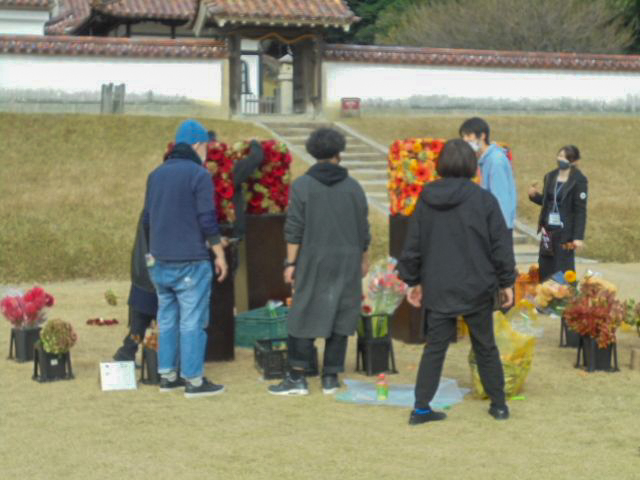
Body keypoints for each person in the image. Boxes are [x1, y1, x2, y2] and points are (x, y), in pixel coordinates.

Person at [398, 139, 516, 426]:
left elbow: (413, 244)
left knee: (434, 348)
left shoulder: (426, 197)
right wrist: (507, 282)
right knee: (485, 345)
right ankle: (499, 405)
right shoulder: (484, 200)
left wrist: (413, 281)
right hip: (477, 284)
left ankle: (421, 408)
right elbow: (501, 245)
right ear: (471, 166)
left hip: (438, 285)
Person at [268, 128, 371, 396]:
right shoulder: (354, 187)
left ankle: (298, 377)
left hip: (313, 259)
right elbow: (363, 227)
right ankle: (331, 377)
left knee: (303, 313)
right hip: (348, 260)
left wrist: (290, 264)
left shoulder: (302, 186)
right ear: (339, 152)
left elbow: (294, 228)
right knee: (341, 313)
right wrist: (364, 258)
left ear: (313, 152)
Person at [143, 119, 228, 398]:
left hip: (159, 261)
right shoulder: (199, 175)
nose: (208, 152)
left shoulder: (155, 175)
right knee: (192, 321)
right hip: (190, 261)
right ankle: (194, 380)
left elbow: (147, 219)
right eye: (206, 146)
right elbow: (207, 219)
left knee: (166, 318)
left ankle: (167, 376)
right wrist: (219, 254)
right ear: (196, 145)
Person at [528, 145, 588, 282]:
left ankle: (563, 301)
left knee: (562, 270)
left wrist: (578, 237)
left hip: (565, 234)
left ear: (574, 161)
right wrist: (534, 196)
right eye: (559, 155)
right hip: (548, 231)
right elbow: (548, 202)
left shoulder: (579, 180)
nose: (560, 159)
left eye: (564, 157)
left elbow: (580, 210)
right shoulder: (550, 176)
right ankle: (544, 301)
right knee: (545, 267)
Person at [112, 211, 157, 362]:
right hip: (149, 273)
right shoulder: (152, 212)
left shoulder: (152, 207)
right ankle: (127, 353)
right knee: (140, 322)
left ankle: (127, 353)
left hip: (145, 273)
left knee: (140, 322)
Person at [459, 117, 517, 235]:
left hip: (498, 228)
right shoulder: (484, 160)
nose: (465, 140)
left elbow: (500, 199)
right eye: (463, 136)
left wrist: (498, 232)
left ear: (482, 136)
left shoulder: (495, 161)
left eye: (469, 136)